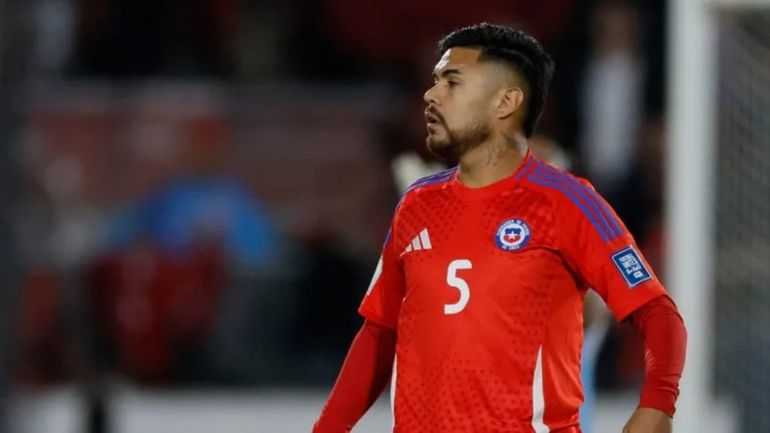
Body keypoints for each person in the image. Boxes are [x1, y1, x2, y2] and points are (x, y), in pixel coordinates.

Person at [313, 23, 686, 433]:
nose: (431, 95)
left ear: (505, 102)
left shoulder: (566, 202)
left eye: (452, 83)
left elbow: (657, 312)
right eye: (435, 81)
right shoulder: (417, 205)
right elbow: (379, 334)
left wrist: (656, 405)